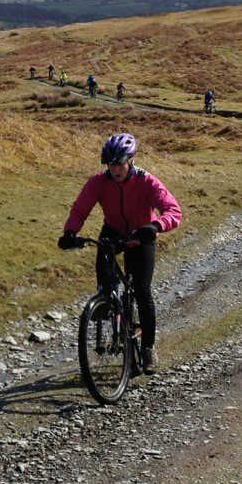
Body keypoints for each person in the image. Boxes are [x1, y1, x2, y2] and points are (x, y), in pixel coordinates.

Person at [58, 133, 182, 375]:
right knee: (106, 288)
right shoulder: (98, 182)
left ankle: (147, 348)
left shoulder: (147, 181)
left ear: (130, 160)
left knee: (142, 292)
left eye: (120, 163)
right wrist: (70, 232)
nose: (115, 169)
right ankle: (110, 311)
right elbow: (80, 209)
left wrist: (156, 226)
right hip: (112, 234)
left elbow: (172, 210)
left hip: (141, 235)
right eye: (111, 164)